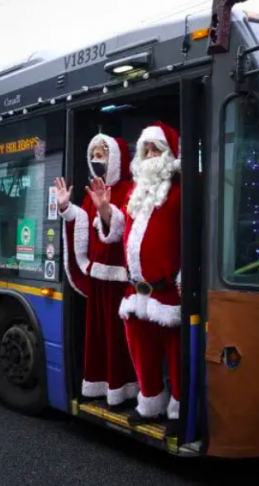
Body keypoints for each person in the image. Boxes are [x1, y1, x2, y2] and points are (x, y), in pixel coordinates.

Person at [90, 121, 183, 423]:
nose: (151, 153)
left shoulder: (181, 192)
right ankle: (151, 404)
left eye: (157, 148)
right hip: (136, 290)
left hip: (168, 291)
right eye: (146, 148)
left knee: (177, 359)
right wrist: (104, 210)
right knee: (142, 353)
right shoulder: (134, 191)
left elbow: (194, 237)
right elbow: (116, 230)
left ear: (169, 153)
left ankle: (180, 412)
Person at [55, 133, 138, 408]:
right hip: (99, 278)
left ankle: (124, 390)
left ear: (115, 158)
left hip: (122, 280)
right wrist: (67, 207)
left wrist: (106, 211)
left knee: (120, 339)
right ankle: (101, 385)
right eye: (93, 156)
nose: (96, 161)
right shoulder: (93, 191)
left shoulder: (130, 189)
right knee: (99, 337)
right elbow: (84, 222)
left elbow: (124, 227)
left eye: (101, 156)